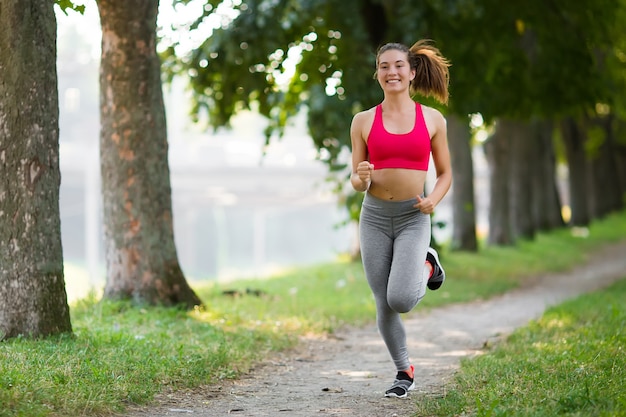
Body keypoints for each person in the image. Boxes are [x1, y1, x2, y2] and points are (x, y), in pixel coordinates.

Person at [349, 40, 452, 398]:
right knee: (383, 301)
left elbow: (445, 174)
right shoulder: (363, 121)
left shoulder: (432, 119)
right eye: (383, 66)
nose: (391, 72)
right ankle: (403, 371)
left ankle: (429, 264)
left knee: (402, 299)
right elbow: (356, 179)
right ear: (377, 73)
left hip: (412, 216)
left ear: (411, 73)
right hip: (374, 217)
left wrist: (433, 201)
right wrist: (361, 177)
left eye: (397, 66)